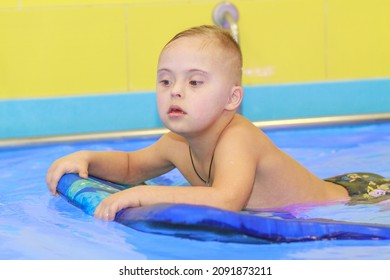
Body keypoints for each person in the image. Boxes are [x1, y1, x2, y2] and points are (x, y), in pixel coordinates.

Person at [47, 25, 387, 221]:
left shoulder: (238, 138)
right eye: (165, 82)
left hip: (358, 198)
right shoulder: (176, 144)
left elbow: (226, 200)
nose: (175, 92)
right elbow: (132, 165)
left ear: (232, 99)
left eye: (194, 83)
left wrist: (142, 197)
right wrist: (86, 158)